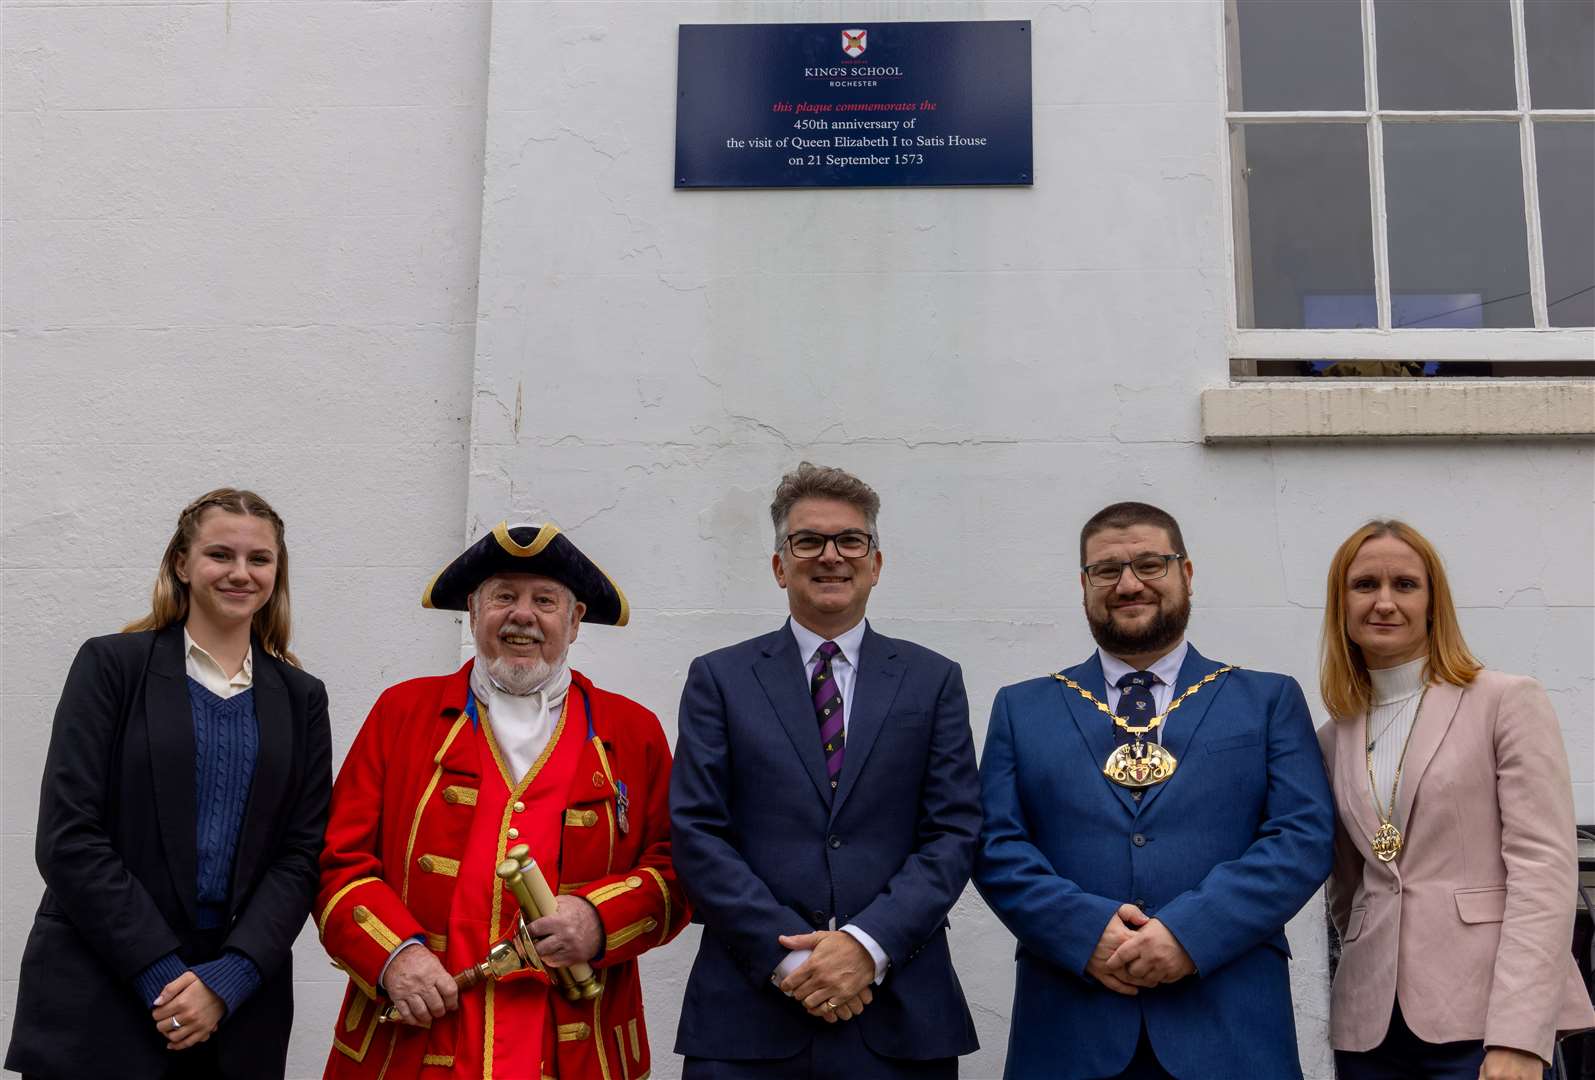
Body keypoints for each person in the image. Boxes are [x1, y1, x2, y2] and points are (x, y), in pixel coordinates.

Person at [974, 501, 1334, 1079]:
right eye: (1107, 570)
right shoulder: (1022, 709)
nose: (1129, 584)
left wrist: (1190, 934)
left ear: (1185, 574)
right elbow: (995, 845)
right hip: (1071, 1026)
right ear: (1084, 585)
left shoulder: (1266, 700)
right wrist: (1085, 931)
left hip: (1230, 1025)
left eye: (1150, 564)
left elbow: (1301, 838)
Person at [317, 521, 687, 1080]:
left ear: (576, 620)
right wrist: (396, 956)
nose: (522, 616)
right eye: (504, 597)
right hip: (420, 1040)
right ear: (472, 610)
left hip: (574, 1047)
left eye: (545, 600)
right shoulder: (401, 714)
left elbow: (679, 869)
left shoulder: (632, 731)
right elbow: (337, 860)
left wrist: (598, 918)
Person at [5, 488, 332, 1080]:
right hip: (102, 990)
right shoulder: (112, 667)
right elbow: (69, 838)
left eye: (259, 559)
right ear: (182, 564)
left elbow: (301, 854)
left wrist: (228, 981)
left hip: (236, 1008)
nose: (240, 572)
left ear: (277, 573)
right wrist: (162, 978)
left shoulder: (301, 698)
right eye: (219, 555)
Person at [670, 462, 982, 1079]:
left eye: (850, 540)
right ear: (780, 565)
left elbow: (953, 832)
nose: (830, 556)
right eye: (807, 541)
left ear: (876, 561)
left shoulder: (933, 680)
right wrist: (792, 962)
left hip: (899, 1016)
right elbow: (697, 832)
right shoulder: (720, 679)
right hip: (748, 1015)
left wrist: (866, 947)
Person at [1317, 520, 1595, 1080]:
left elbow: (1543, 874)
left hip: (1483, 1022)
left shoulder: (1505, 701)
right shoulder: (1331, 736)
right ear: (1341, 605)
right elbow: (1349, 885)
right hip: (1370, 1030)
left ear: (1433, 603)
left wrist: (1519, 1034)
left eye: (1406, 585)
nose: (1385, 602)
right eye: (1365, 585)